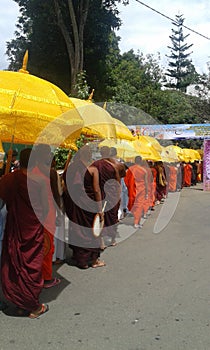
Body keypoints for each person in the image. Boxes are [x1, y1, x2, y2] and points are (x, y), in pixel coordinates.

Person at [0, 148, 49, 318]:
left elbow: (3, 197)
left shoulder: (10, 178)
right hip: (33, 227)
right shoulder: (41, 180)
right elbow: (45, 206)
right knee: (31, 264)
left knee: (16, 264)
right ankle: (33, 307)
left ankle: (21, 303)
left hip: (16, 227)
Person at [63, 145, 106, 269]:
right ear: (88, 154)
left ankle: (80, 259)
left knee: (78, 228)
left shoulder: (71, 168)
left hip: (75, 204)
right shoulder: (93, 169)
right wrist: (99, 209)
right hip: (89, 204)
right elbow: (97, 190)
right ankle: (93, 260)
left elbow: (65, 186)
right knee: (90, 229)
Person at [32, 144, 61, 288]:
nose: (49, 156)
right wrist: (60, 214)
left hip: (35, 213)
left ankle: (36, 275)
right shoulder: (50, 172)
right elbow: (56, 195)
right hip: (47, 212)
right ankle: (46, 277)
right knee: (47, 246)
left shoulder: (29, 171)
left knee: (37, 245)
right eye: (47, 153)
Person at [93, 146, 121, 246]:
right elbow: (118, 183)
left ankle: (101, 242)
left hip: (100, 194)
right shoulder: (113, 166)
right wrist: (118, 196)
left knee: (101, 216)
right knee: (112, 217)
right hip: (112, 195)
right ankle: (112, 239)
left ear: (100, 153)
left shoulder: (95, 165)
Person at [124, 156, 148, 228]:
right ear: (140, 161)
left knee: (133, 204)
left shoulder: (130, 169)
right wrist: (146, 192)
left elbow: (126, 180)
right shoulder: (143, 170)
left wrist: (129, 188)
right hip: (141, 189)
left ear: (134, 161)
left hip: (132, 189)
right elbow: (146, 182)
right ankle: (136, 222)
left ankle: (136, 220)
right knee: (139, 206)